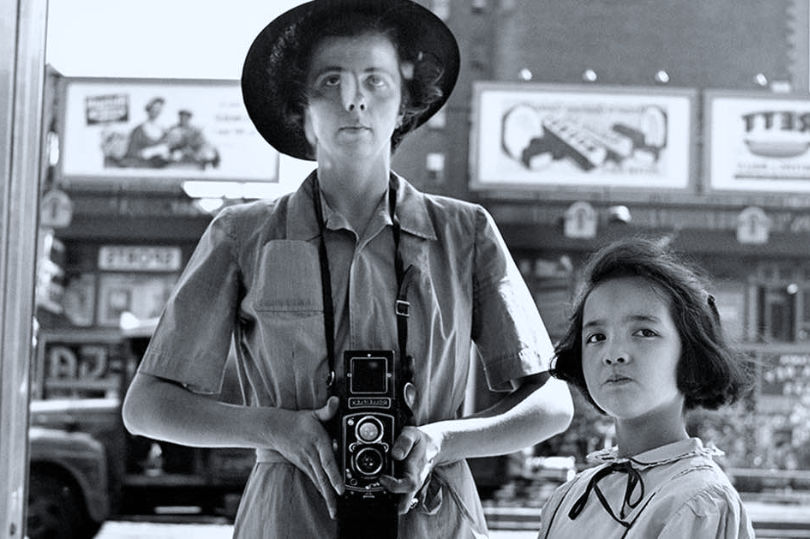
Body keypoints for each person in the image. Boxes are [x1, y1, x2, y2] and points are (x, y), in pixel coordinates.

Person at [121, 1, 573, 538]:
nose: (353, 99)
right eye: (329, 81)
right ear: (300, 109)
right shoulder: (241, 234)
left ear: (405, 105)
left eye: (376, 81)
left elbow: (551, 401)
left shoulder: (465, 232)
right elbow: (147, 406)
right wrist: (275, 428)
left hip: (432, 517)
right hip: (290, 518)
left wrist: (444, 440)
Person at [537, 238, 754, 538]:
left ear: (689, 352)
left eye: (643, 332)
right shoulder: (567, 498)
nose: (614, 353)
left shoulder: (698, 500)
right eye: (596, 337)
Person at [123, 96, 169, 168]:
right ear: (149, 109)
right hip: (141, 167)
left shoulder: (164, 131)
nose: (156, 111)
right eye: (154, 108)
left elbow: (168, 150)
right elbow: (131, 153)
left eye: (159, 109)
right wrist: (145, 153)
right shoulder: (138, 131)